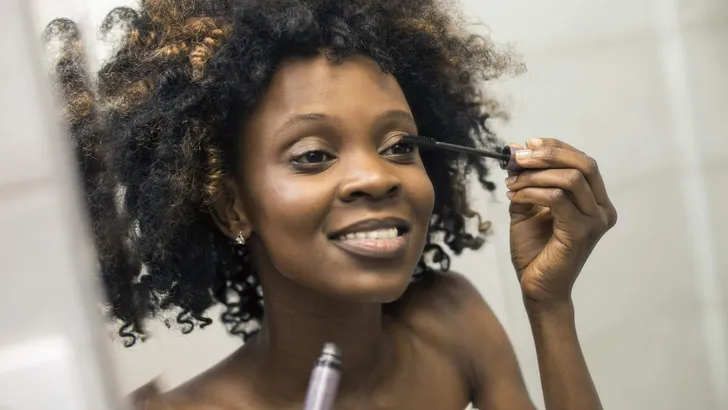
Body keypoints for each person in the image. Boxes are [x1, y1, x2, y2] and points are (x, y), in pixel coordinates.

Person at [47, 0, 617, 409]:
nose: (375, 176)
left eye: (399, 146)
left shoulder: (454, 324)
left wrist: (549, 306)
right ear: (231, 205)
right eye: (314, 155)